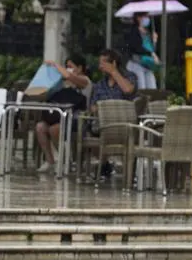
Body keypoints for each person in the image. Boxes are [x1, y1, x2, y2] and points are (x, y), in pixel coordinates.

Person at [35, 54, 93, 173]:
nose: (67, 69)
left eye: (70, 66)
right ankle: (50, 161)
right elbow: (41, 94)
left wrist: (56, 65)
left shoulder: (85, 81)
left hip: (77, 118)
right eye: (66, 67)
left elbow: (68, 75)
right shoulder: (61, 83)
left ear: (80, 68)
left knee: (54, 129)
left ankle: (66, 160)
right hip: (57, 116)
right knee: (40, 127)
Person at [90, 49, 138, 178]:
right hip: (104, 123)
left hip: (125, 123)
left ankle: (127, 169)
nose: (100, 67)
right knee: (89, 129)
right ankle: (105, 164)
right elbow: (93, 107)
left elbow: (128, 90)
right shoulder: (100, 85)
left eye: (103, 63)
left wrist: (114, 72)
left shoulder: (130, 77)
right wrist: (104, 109)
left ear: (114, 63)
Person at [125, 12, 159, 90]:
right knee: (141, 89)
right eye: (145, 16)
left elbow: (152, 50)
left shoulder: (147, 32)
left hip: (147, 64)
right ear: (138, 18)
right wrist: (150, 53)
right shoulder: (133, 32)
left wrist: (154, 41)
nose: (147, 19)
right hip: (137, 63)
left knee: (152, 89)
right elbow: (137, 48)